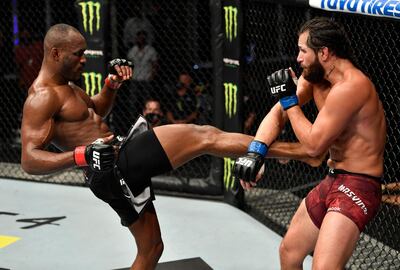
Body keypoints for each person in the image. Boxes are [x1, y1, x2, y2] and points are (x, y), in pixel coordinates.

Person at [21, 24, 322, 270]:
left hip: (117, 165)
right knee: (204, 136)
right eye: (78, 54)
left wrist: (110, 85)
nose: (84, 59)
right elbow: (29, 161)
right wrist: (81, 155)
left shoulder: (67, 85)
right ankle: (301, 153)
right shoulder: (42, 97)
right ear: (56, 53)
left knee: (152, 249)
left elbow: (96, 112)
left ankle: (297, 153)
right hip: (113, 168)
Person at [234, 17, 386, 269]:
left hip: (359, 186)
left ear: (324, 52)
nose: (298, 58)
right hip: (333, 178)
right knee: (289, 252)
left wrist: (289, 102)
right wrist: (256, 150)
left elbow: (314, 146)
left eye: (303, 50)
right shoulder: (315, 77)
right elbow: (277, 113)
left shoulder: (351, 86)